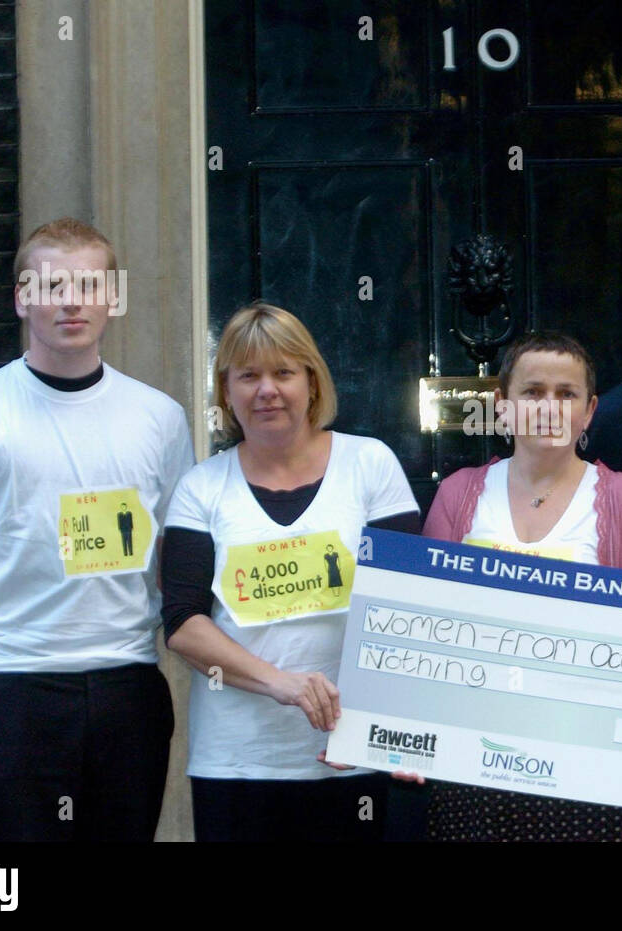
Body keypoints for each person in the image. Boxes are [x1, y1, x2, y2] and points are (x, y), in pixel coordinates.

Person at [0, 218, 195, 841]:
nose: (70, 301)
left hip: (129, 688)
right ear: (21, 299)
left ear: (113, 297)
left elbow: (175, 560)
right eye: (51, 285)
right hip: (12, 695)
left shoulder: (161, 419)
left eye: (88, 284)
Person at [160, 302, 420, 842]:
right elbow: (183, 622)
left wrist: (383, 728)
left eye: (283, 372)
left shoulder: (370, 465)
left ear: (312, 381)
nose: (267, 390)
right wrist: (282, 683)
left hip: (352, 755)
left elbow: (405, 606)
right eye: (247, 376)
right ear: (226, 390)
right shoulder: (201, 488)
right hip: (237, 762)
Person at [420, 331, 622, 841]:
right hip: (477, 763)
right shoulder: (458, 495)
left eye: (566, 394)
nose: (549, 407)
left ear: (589, 410)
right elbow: (424, 631)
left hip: (591, 768)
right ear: (502, 405)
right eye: (533, 392)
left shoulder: (621, 499)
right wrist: (409, 738)